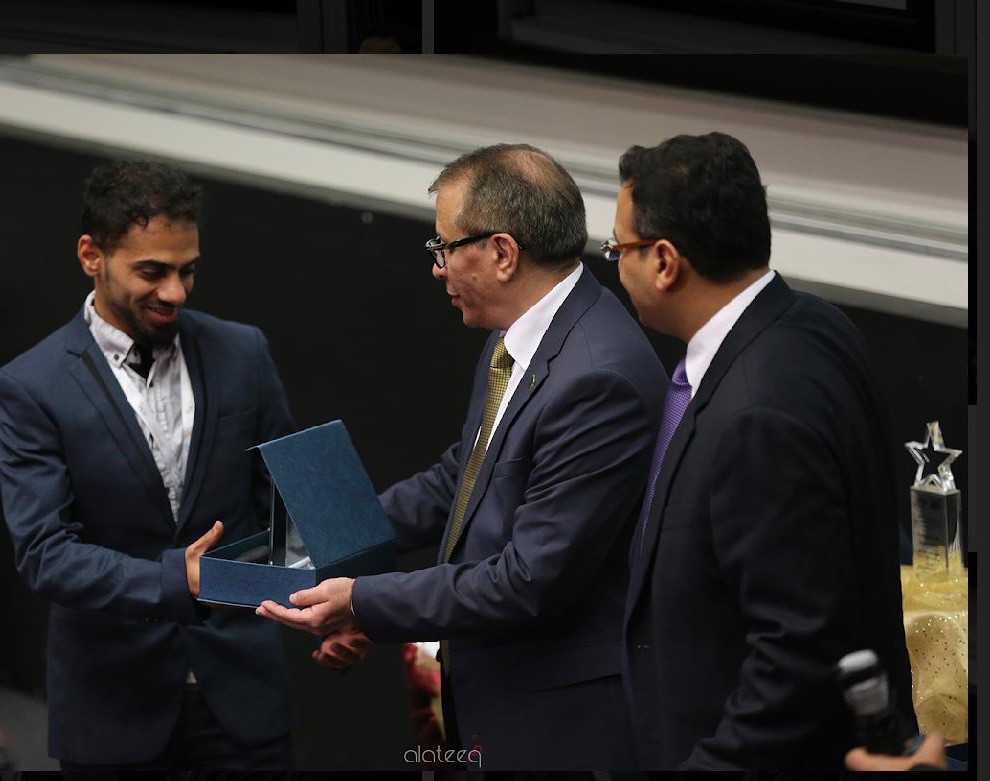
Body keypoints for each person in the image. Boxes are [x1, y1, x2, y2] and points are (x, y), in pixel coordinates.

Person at [251, 143, 667, 770]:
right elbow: (462, 478)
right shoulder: (519, 332)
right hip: (496, 694)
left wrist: (361, 600)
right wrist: (326, 538)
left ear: (502, 253)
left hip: (554, 729)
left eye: (443, 247)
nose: (437, 268)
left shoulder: (595, 378)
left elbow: (527, 581)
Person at [613, 132, 915, 770]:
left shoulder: (756, 415)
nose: (615, 265)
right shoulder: (815, 323)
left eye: (619, 249)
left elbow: (795, 658)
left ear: (664, 262)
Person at [0, 161, 296, 771]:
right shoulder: (30, 387)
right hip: (112, 709)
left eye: (188, 270)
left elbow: (290, 503)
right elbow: (45, 552)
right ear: (91, 256)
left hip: (244, 699)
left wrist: (339, 602)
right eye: (152, 272)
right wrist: (175, 581)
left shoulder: (243, 351)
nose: (175, 292)